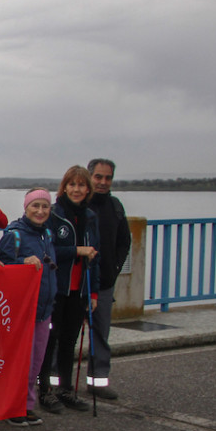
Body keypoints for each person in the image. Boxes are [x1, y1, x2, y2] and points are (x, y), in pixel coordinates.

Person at [38, 166, 99, 414]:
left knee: (69, 341)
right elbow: (49, 251)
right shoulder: (54, 215)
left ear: (87, 189)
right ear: (64, 187)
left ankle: (65, 388)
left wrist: (93, 293)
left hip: (79, 289)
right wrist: (76, 251)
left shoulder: (90, 217)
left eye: (81, 185)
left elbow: (96, 257)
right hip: (57, 289)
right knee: (50, 340)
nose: (76, 190)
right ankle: (44, 390)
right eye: (72, 185)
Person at [0, 188, 58, 427]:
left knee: (36, 361)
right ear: (26, 208)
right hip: (22, 310)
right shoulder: (14, 235)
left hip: (44, 309)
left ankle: (26, 405)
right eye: (36, 206)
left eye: (45, 207)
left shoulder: (48, 235)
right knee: (20, 361)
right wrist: (21, 262)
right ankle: (12, 406)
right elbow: (1, 265)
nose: (40, 211)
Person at [86, 158, 131, 399]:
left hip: (104, 283)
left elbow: (125, 241)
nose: (103, 182)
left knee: (101, 334)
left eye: (108, 178)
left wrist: (113, 269)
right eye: (98, 177)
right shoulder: (78, 205)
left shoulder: (116, 207)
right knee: (61, 335)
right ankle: (53, 384)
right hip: (76, 283)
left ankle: (98, 381)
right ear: (89, 176)